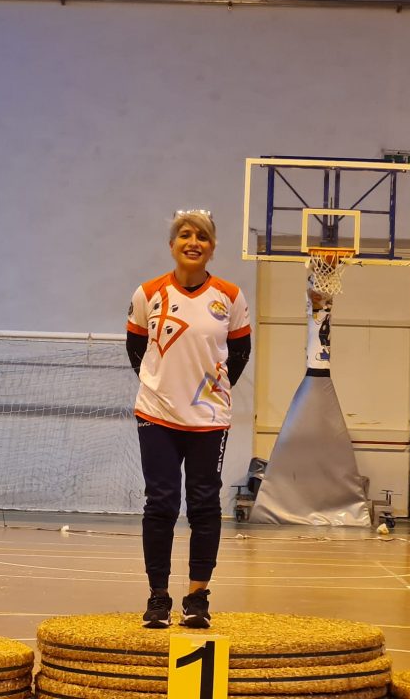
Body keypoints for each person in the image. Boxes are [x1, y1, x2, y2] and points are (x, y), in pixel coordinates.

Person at [125, 209, 252, 628]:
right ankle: (157, 597)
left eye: (202, 236)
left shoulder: (230, 296)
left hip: (209, 420)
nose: (193, 242)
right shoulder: (148, 293)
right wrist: (163, 387)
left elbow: (239, 353)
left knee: (204, 504)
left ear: (212, 247)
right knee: (160, 502)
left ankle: (197, 598)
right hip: (157, 415)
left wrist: (211, 393)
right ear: (172, 245)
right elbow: (135, 349)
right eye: (184, 234)